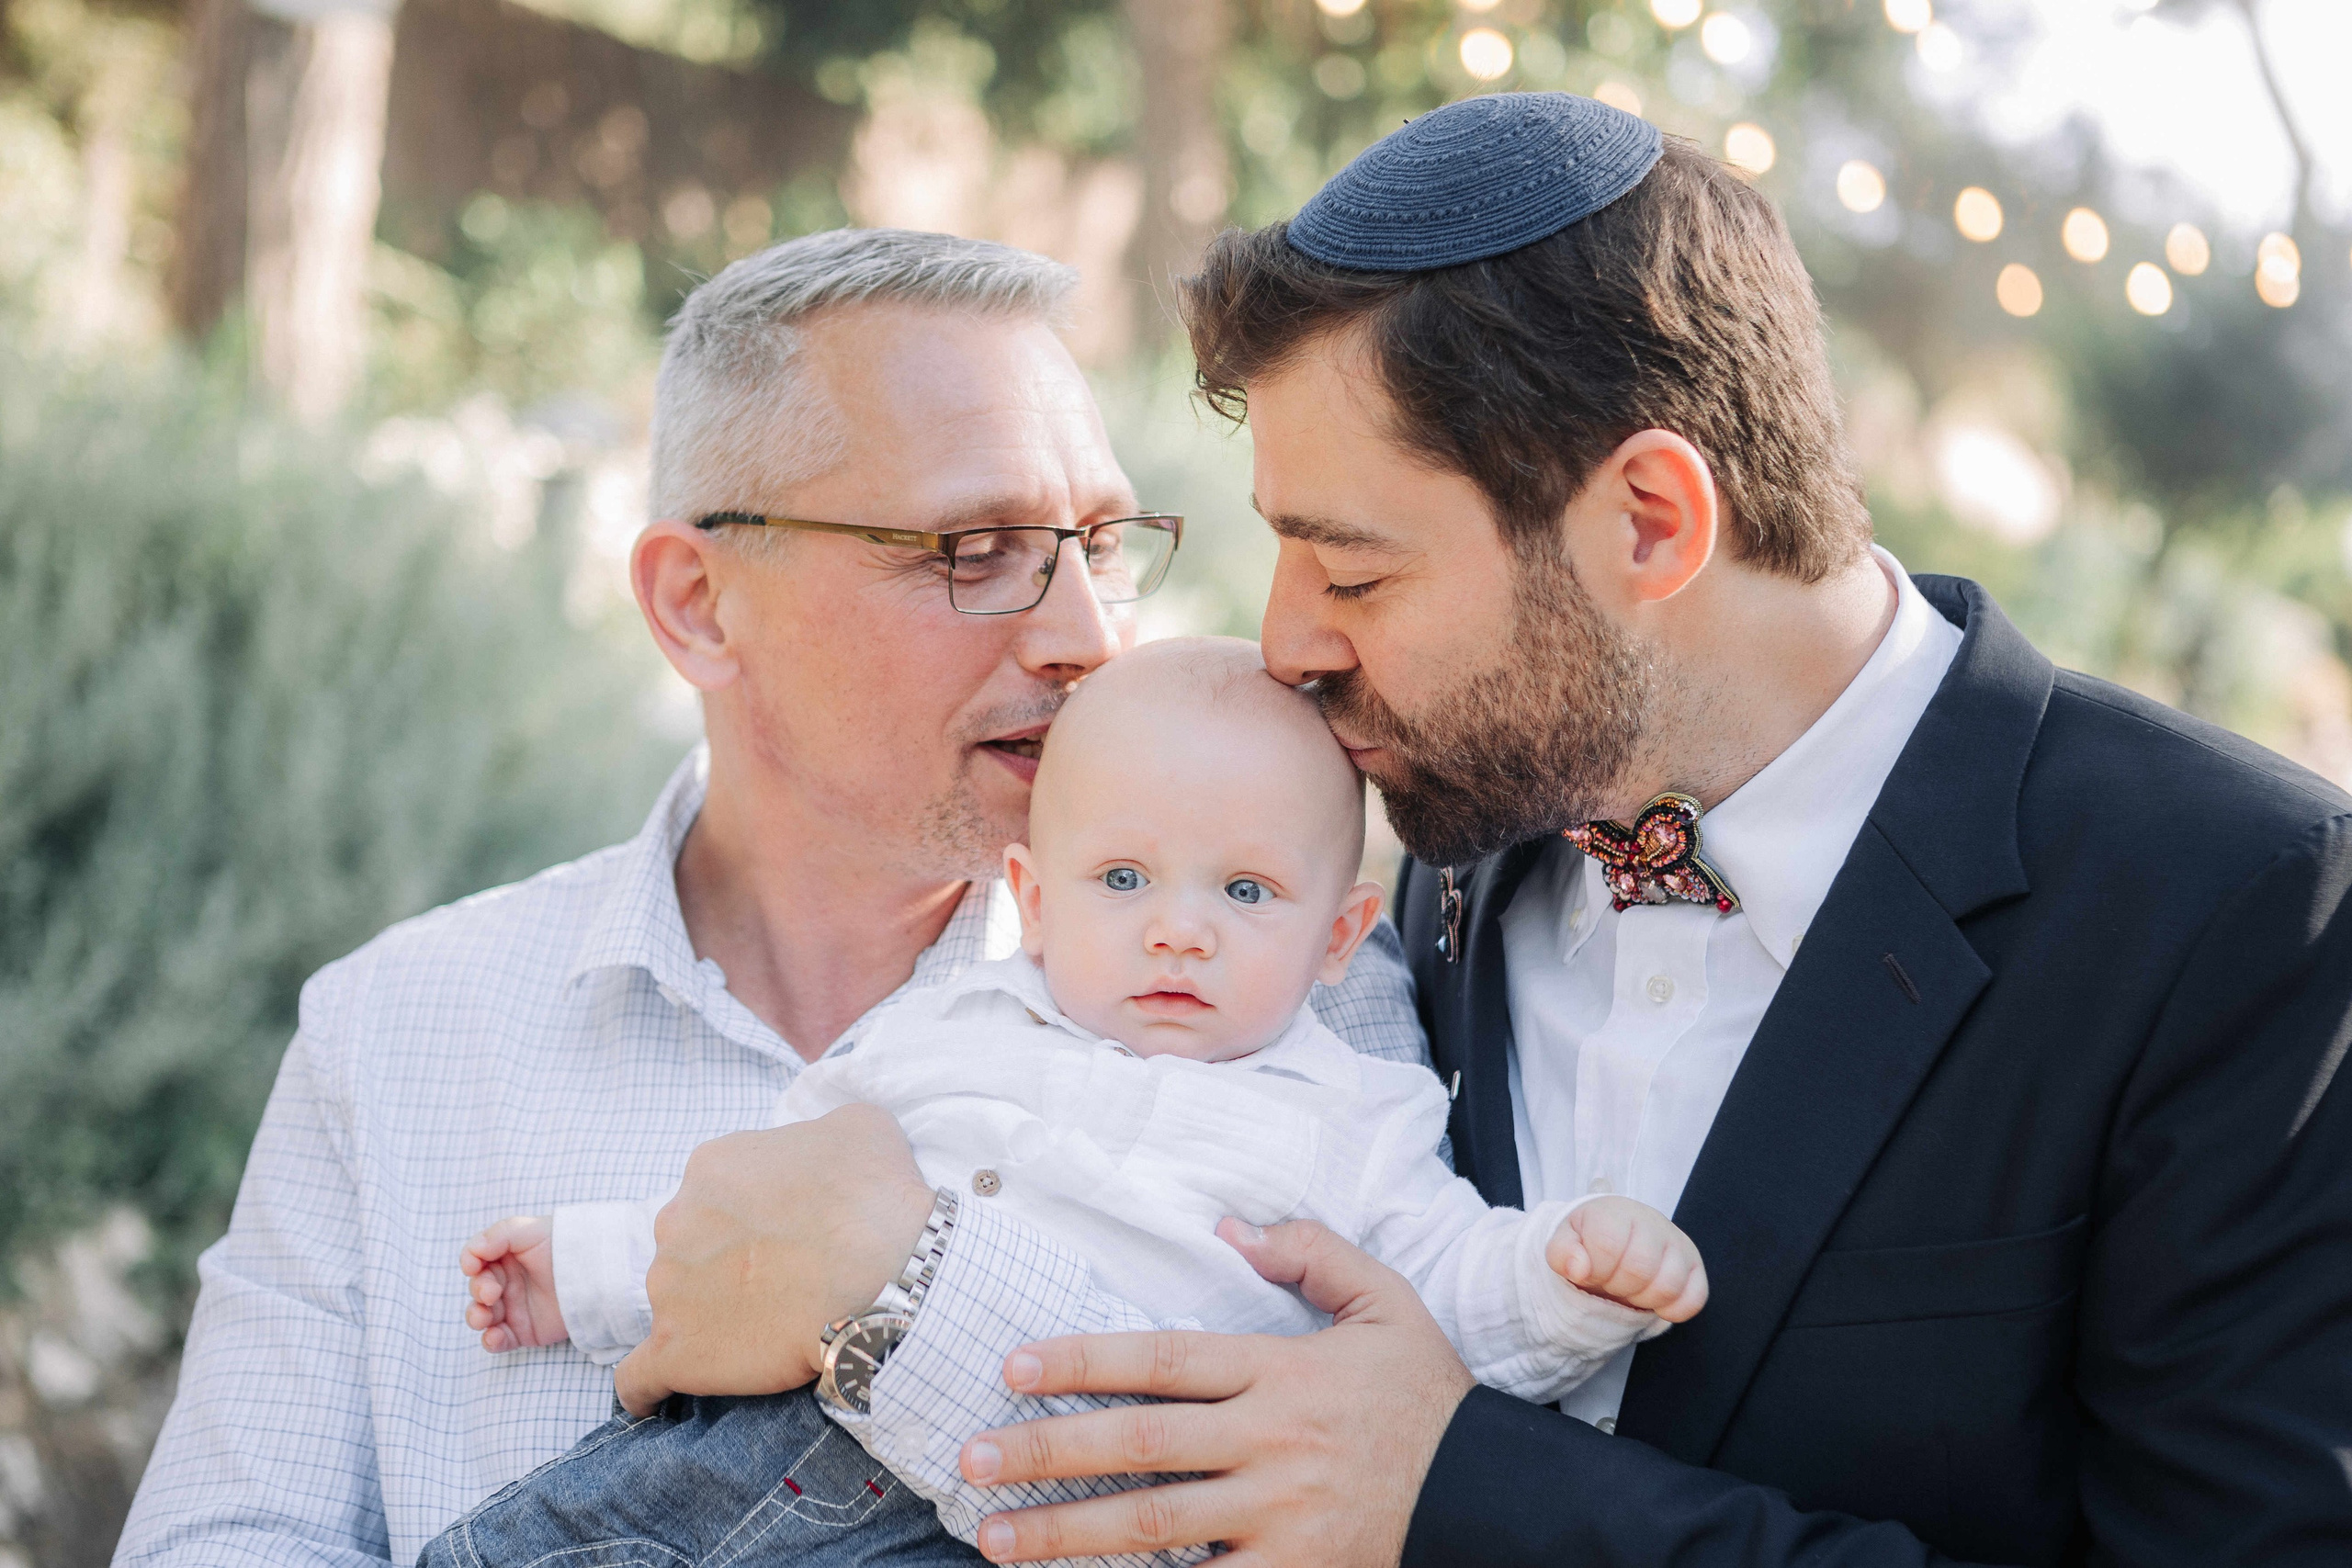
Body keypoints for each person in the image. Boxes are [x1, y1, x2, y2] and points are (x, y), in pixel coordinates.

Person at [592, 96, 2352, 1566]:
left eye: (1354, 566)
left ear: (1651, 519)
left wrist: (1463, 1500)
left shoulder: (2245, 912)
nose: (1286, 644)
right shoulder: (1409, 838)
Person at [110, 231, 1439, 1567]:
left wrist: (898, 1287)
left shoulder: (1295, 996)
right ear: (698, 605)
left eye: (1098, 543)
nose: (1086, 633)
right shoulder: (397, 1032)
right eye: (973, 549)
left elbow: (1358, 1512)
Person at [426, 637, 1705, 1568]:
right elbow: (760, 1206)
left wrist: (1562, 1275)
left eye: (1247, 894)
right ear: (1033, 901)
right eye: (1125, 878)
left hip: (1035, 1526)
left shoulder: (1354, 1113)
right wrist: (584, 1268)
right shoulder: (949, 1030)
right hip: (760, 1448)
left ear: (1339, 935)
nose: (1180, 933)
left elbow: (1445, 1290)